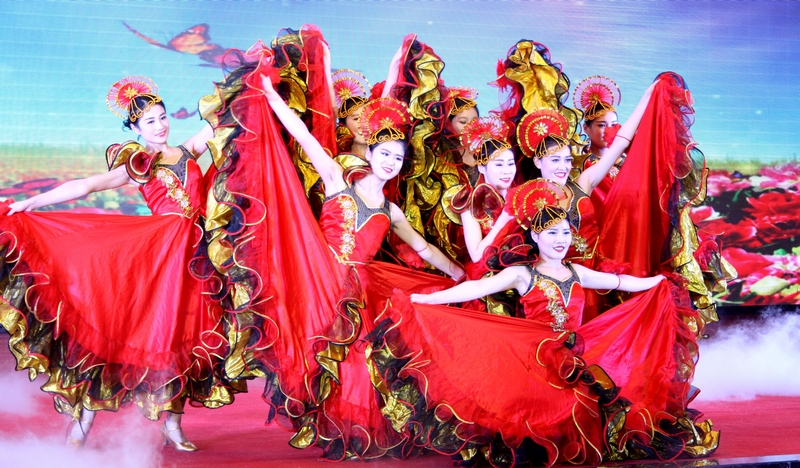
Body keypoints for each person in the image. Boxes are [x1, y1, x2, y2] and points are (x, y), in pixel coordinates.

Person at [363, 179, 718, 466]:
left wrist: (656, 283)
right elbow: (476, 287)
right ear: (534, 237)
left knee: (596, 404)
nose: (560, 241)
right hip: (534, 359)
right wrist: (425, 300)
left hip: (576, 355)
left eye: (565, 233)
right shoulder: (522, 273)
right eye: (552, 234)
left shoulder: (577, 271)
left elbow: (619, 282)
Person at [0, 76, 239, 450]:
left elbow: (223, 120)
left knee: (191, 336)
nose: (159, 126)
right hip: (158, 258)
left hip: (199, 259)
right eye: (149, 121)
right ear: (134, 128)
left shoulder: (189, 150)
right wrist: (31, 202)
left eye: (162, 117)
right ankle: (82, 424)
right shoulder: (138, 165)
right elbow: (86, 186)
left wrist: (253, 84)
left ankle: (173, 426)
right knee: (125, 332)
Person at [573, 75, 624, 216]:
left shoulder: (627, 160)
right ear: (586, 128)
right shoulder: (579, 162)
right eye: (601, 125)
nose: (609, 130)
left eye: (613, 125)